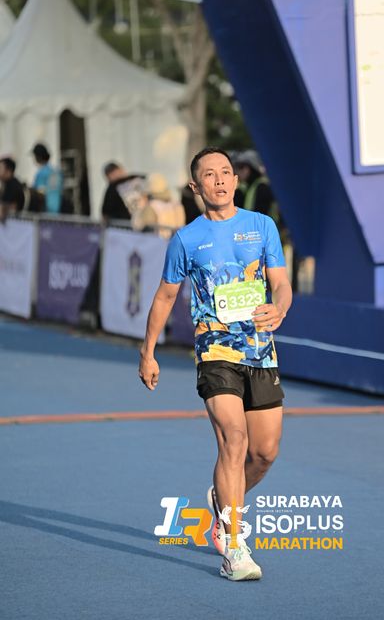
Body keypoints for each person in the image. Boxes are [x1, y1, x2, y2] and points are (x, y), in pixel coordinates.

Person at [138, 147, 292, 581]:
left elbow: (281, 284)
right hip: (215, 352)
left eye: (226, 172)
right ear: (196, 186)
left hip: (260, 351)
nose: (220, 180)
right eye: (210, 174)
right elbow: (165, 296)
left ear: (236, 180)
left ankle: (221, 497)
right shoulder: (186, 239)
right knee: (234, 440)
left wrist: (280, 307)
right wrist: (147, 352)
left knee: (264, 454)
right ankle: (234, 550)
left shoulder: (261, 226)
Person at [131, 173, 185, 237]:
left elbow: (138, 227)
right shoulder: (178, 205)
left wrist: (140, 209)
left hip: (159, 242)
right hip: (178, 240)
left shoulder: (151, 207)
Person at [233, 150, 279, 221]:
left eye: (241, 167)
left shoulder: (262, 186)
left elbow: (261, 215)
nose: (238, 171)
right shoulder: (251, 186)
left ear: (252, 168)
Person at [31, 143, 63, 214]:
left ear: (38, 156)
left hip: (46, 212)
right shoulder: (56, 171)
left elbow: (40, 193)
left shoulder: (41, 173)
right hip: (59, 212)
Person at [0, 157, 25, 221]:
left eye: (0, 168)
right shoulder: (6, 184)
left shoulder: (14, 186)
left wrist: (3, 208)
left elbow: (13, 207)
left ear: (8, 170)